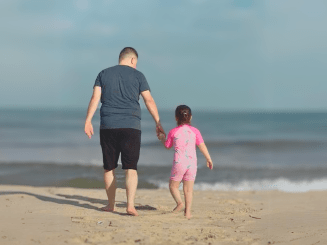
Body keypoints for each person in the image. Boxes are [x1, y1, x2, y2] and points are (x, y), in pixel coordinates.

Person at [84, 47, 165, 216]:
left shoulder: (103, 73)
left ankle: (111, 205)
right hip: (131, 126)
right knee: (131, 168)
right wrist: (158, 122)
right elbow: (148, 99)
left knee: (109, 168)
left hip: (108, 125)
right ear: (133, 60)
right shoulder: (138, 75)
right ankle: (130, 206)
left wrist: (88, 120)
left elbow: (95, 98)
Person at [158, 105, 213, 219]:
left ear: (176, 118)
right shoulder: (195, 131)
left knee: (173, 186)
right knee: (188, 190)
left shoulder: (174, 131)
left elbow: (168, 146)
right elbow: (202, 146)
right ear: (190, 118)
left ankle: (179, 203)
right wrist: (208, 158)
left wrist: (162, 137)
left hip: (179, 163)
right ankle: (188, 212)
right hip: (192, 164)